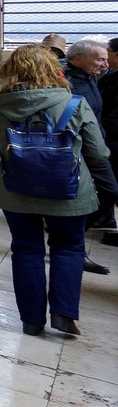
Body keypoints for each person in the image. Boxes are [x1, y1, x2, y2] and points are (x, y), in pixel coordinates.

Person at [0, 44, 108, 337]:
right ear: (54, 70)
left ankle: (31, 320)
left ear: (9, 72)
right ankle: (63, 314)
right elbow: (98, 152)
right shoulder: (75, 103)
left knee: (26, 251)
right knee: (69, 249)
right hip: (68, 191)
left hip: (14, 190)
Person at [65, 39, 118, 257]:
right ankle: (70, 243)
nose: (104, 64)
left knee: (108, 191)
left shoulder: (91, 78)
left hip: (96, 146)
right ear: (77, 59)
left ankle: (70, 238)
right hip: (79, 148)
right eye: (99, 59)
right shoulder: (67, 82)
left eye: (106, 58)